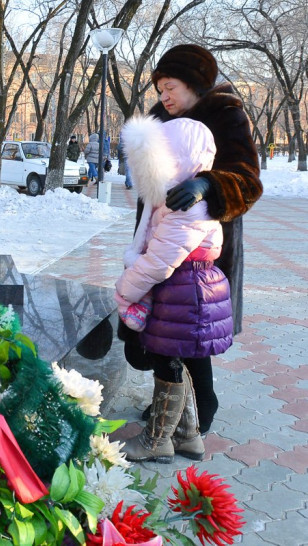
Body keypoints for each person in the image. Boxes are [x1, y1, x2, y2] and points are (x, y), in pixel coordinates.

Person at [119, 44, 263, 437]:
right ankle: (171, 402)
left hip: (203, 244)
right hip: (160, 236)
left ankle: (201, 403)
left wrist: (208, 184)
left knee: (190, 326)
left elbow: (248, 180)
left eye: (170, 88)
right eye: (160, 89)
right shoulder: (159, 119)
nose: (164, 96)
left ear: (195, 83)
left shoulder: (225, 114)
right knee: (161, 327)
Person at [116, 115, 232, 463]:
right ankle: (187, 436)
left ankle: (157, 441)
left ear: (176, 158)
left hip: (185, 289)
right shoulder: (177, 197)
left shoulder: (187, 205)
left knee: (168, 362)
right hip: (182, 289)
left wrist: (126, 289)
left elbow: (159, 261)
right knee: (171, 358)